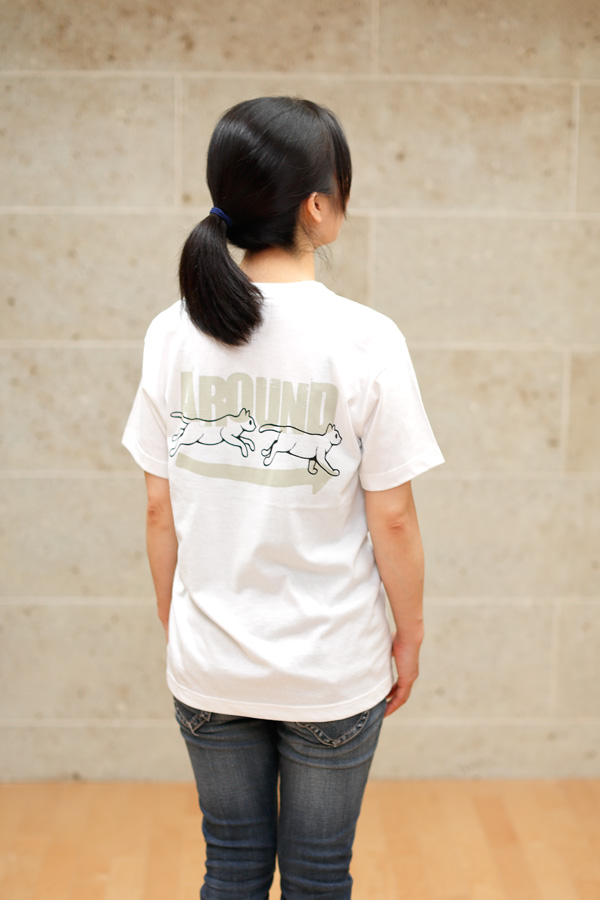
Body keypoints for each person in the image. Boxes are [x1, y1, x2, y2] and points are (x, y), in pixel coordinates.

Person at [122, 96, 443, 900]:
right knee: (318, 877)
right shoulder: (367, 339)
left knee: (230, 868)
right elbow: (393, 517)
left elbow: (159, 510)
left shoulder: (171, 331)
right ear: (317, 207)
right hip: (331, 666)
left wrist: (178, 618)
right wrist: (409, 634)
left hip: (211, 661)